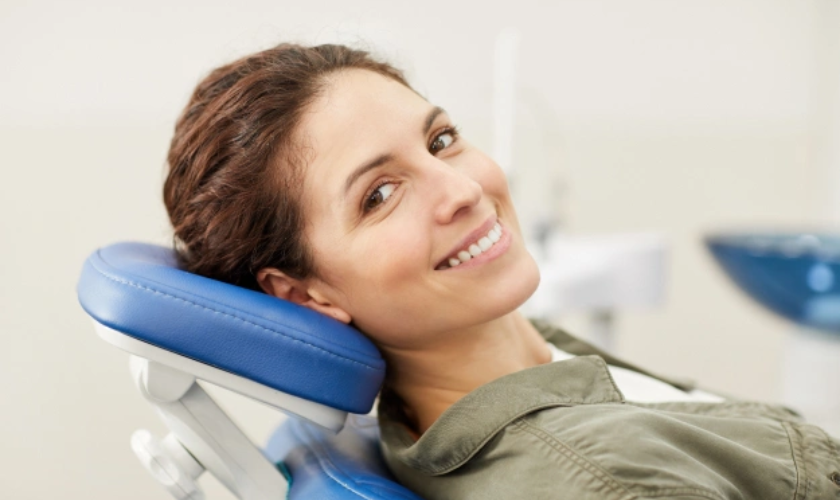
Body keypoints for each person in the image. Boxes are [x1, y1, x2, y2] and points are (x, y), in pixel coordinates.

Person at [163, 43, 840, 499]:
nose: (464, 189)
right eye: (379, 195)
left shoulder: (529, 367)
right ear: (304, 293)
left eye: (441, 141)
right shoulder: (605, 481)